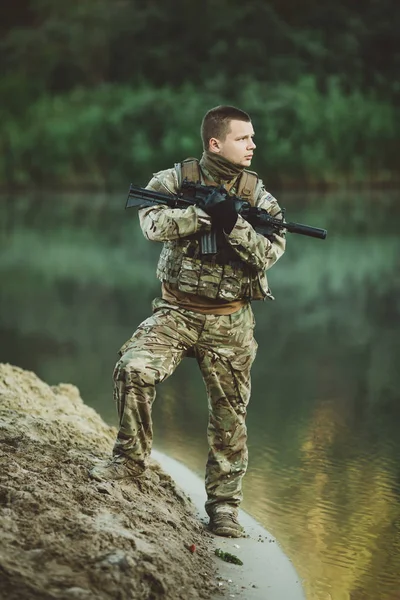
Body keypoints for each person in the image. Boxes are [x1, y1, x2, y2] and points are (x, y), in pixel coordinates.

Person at [90, 105, 286, 538]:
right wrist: (201, 214)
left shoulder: (258, 196)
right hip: (176, 310)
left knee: (229, 417)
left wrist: (231, 221)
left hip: (230, 322)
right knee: (134, 369)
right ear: (216, 143)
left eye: (253, 138)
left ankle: (223, 508)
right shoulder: (174, 180)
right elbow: (151, 223)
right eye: (243, 138)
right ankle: (128, 463)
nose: (253, 145)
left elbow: (271, 251)